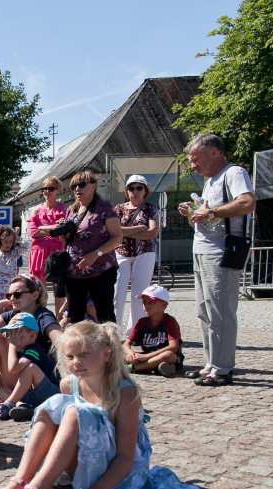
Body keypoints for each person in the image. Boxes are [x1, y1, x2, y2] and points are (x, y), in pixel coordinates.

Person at [0, 321, 203, 489]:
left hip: (118, 474)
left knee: (74, 411)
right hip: (84, 461)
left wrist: (101, 488)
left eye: (84, 354)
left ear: (107, 353)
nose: (77, 362)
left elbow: (126, 457)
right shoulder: (69, 384)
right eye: (70, 357)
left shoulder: (125, 393)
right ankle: (20, 481)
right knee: (51, 407)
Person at [177, 133, 256, 387]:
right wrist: (194, 213)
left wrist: (210, 211)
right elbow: (208, 216)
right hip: (201, 250)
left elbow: (247, 202)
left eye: (195, 159)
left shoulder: (234, 173)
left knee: (220, 310)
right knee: (205, 310)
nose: (193, 165)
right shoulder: (210, 180)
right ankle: (211, 363)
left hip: (220, 252)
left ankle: (223, 369)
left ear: (213, 152)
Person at [55, 171, 123, 324]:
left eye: (82, 184)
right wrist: (61, 232)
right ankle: (76, 347)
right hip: (74, 271)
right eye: (74, 186)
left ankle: (110, 347)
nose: (77, 188)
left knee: (104, 314)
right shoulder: (71, 210)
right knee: (73, 316)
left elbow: (117, 236)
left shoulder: (104, 207)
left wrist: (96, 254)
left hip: (101, 269)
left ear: (93, 186)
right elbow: (67, 242)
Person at [0, 275, 62, 378]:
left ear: (35, 295)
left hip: (35, 374)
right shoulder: (13, 314)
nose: (12, 299)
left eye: (17, 294)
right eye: (9, 295)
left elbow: (60, 339)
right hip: (17, 371)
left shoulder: (43, 315)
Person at [0, 313, 60, 422]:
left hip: (51, 394)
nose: (12, 337)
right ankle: (22, 406)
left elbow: (13, 368)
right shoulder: (20, 351)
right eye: (10, 333)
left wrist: (12, 345)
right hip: (34, 395)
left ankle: (8, 405)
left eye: (16, 333)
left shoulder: (34, 349)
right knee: (0, 391)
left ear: (32, 335)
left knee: (31, 368)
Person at [114, 175, 160, 334]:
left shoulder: (150, 209)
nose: (135, 191)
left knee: (139, 294)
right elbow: (115, 231)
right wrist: (140, 228)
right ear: (127, 191)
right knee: (117, 293)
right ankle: (115, 330)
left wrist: (126, 233)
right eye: (131, 188)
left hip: (144, 253)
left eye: (139, 188)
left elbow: (153, 232)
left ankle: (135, 330)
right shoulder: (119, 209)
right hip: (121, 253)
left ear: (144, 191)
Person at [27, 175, 67, 315]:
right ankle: (42, 317)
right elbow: (32, 232)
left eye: (51, 188)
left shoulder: (64, 209)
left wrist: (44, 229)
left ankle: (59, 319)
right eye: (44, 189)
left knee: (59, 290)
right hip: (39, 252)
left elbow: (64, 230)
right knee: (40, 290)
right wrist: (53, 228)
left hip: (57, 252)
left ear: (58, 191)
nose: (47, 191)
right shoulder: (36, 211)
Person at [123, 285, 183, 377]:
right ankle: (155, 367)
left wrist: (147, 357)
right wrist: (131, 354)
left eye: (151, 302)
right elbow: (126, 344)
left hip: (164, 356)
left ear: (163, 305)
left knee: (167, 356)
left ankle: (133, 367)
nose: (146, 306)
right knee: (116, 354)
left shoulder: (170, 321)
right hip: (147, 356)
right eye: (144, 302)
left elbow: (173, 347)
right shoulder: (141, 322)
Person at [0, 224, 27, 302]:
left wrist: (16, 236)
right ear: (0, 241)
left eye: (11, 242)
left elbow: (25, 246)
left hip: (12, 283)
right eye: (6, 242)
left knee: (12, 304)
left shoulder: (14, 253)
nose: (9, 244)